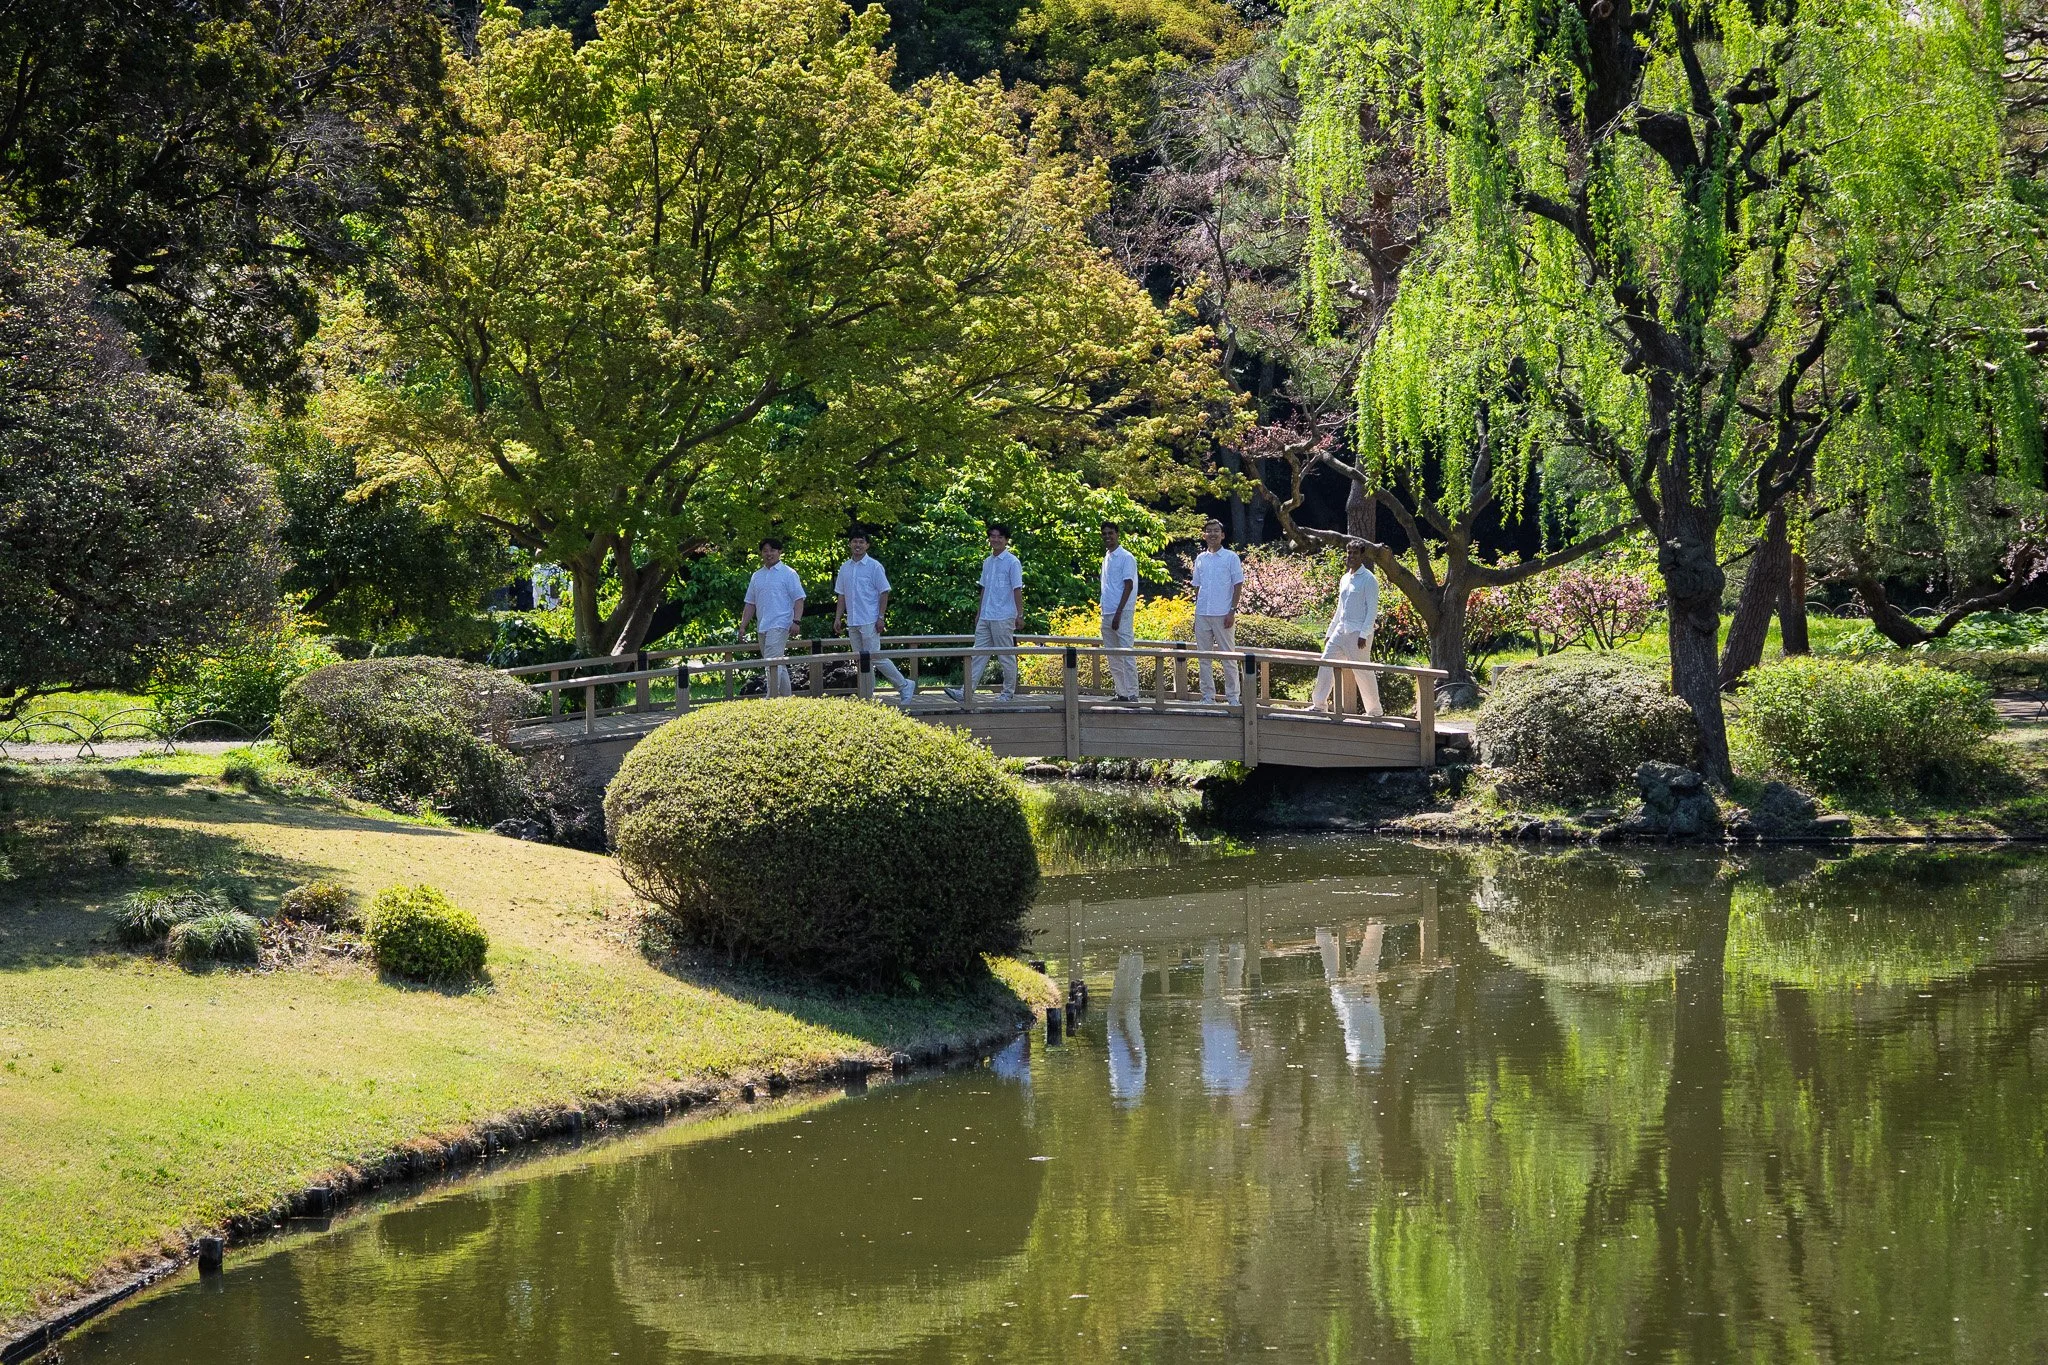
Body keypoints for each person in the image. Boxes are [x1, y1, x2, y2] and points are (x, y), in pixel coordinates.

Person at [832, 529, 914, 701]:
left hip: (869, 619)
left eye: (861, 542)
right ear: (849, 544)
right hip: (853, 620)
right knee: (861, 661)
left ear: (867, 545)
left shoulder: (874, 566)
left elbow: (884, 592)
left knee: (875, 656)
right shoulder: (845, 568)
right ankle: (867, 696)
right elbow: (841, 595)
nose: (858, 545)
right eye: (855, 541)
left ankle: (904, 685)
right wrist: (838, 618)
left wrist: (881, 617)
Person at [1312, 540, 1382, 715]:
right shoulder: (1345, 578)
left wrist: (1364, 634)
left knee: (1363, 671)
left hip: (1358, 633)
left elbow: (1372, 610)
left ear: (1362, 555)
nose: (1351, 556)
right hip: (1341, 630)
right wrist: (1330, 631)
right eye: (1349, 552)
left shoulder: (1369, 580)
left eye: (1355, 553)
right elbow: (1340, 609)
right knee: (1326, 663)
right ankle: (1319, 705)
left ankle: (1375, 711)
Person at [956, 524, 1023, 701]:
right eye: (992, 536)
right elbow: (984, 589)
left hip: (1004, 615)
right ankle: (966, 691)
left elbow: (1017, 589)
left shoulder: (1012, 562)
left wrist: (1020, 614)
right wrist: (979, 613)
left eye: (999, 537)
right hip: (986, 615)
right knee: (978, 654)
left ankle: (1008, 693)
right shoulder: (987, 562)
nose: (995, 540)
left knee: (1005, 656)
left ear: (1006, 540)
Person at [737, 537, 805, 698]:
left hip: (781, 623)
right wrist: (743, 626)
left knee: (771, 661)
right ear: (761, 553)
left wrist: (796, 621)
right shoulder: (757, 576)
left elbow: (799, 599)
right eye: (765, 551)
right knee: (777, 661)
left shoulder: (788, 573)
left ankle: (771, 696)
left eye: (772, 550)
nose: (769, 554)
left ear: (779, 552)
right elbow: (750, 603)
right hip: (763, 625)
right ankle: (787, 697)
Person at [1189, 518, 1245, 706]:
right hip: (1202, 613)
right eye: (1209, 531)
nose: (1212, 534)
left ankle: (1233, 697)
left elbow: (1238, 585)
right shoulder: (1200, 559)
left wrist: (1232, 610)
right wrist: (1196, 613)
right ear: (1204, 535)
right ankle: (1207, 696)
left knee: (1228, 657)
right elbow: (1197, 586)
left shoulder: (1231, 557)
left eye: (1216, 531)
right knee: (1204, 657)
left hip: (1223, 614)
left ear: (1222, 535)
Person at [1099, 521, 1140, 701]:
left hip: (1121, 612)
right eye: (1105, 534)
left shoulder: (1126, 557)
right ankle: (1121, 691)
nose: (1108, 537)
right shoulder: (1106, 557)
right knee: (1113, 655)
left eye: (1111, 533)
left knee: (1126, 653)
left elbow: (1128, 585)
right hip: (1106, 611)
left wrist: (1118, 613)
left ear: (1117, 534)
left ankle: (1132, 693)